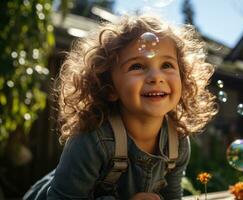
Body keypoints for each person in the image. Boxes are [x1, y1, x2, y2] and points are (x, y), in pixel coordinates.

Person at [24, 14, 217, 199]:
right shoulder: (91, 140)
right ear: (109, 88)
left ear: (184, 78)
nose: (156, 77)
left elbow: (172, 196)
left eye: (166, 65)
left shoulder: (178, 141)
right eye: (137, 66)